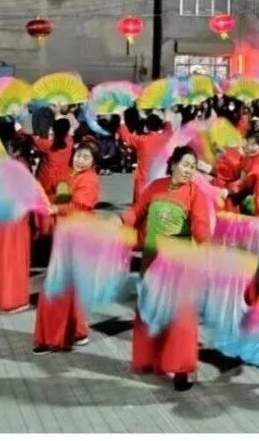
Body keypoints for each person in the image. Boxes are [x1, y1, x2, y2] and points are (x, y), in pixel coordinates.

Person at [123, 146, 213, 390]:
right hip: (151, 259)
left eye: (193, 167)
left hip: (177, 265)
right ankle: (147, 358)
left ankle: (182, 369)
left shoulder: (196, 194)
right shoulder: (155, 187)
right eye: (185, 164)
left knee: (180, 315)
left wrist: (205, 244)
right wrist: (120, 220)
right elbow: (137, 212)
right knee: (149, 309)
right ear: (173, 164)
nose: (189, 170)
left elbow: (201, 226)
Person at [32, 143, 101, 353]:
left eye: (86, 158)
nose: (80, 160)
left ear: (93, 162)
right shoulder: (70, 174)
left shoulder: (89, 179)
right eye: (79, 155)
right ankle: (77, 332)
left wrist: (55, 208)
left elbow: (80, 205)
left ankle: (54, 337)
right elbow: (58, 192)